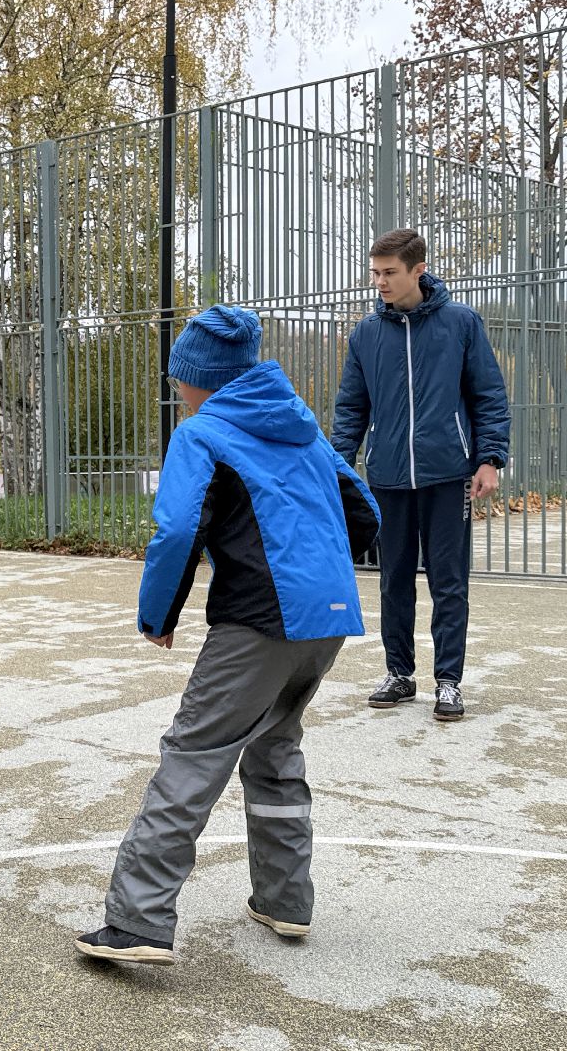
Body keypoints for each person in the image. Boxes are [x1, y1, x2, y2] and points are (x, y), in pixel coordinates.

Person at [76, 305, 379, 966]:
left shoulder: (205, 432)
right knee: (274, 750)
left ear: (202, 380)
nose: (177, 391)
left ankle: (138, 921)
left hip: (258, 622)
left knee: (194, 753)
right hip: (325, 616)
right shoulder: (299, 425)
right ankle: (284, 900)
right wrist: (319, 568)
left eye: (180, 379)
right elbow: (364, 507)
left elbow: (178, 530)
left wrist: (158, 617)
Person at [331, 229, 511, 722]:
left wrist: (490, 459)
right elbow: (351, 407)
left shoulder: (460, 324)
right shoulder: (366, 334)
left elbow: (488, 397)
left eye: (390, 272)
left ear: (418, 270)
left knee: (449, 583)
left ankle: (448, 681)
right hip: (388, 477)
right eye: (375, 273)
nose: (380, 282)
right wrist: (337, 463)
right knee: (393, 581)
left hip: (448, 474)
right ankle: (399, 673)